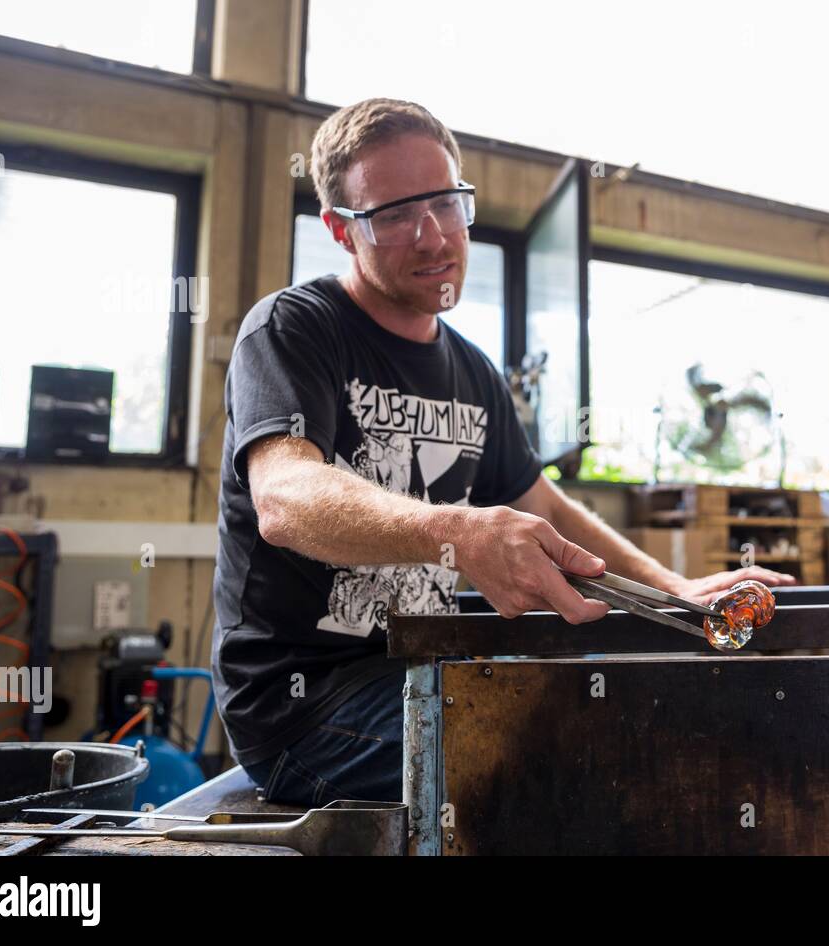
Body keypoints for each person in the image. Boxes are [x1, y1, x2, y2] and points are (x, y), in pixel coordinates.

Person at [211, 97, 794, 806]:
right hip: (305, 711)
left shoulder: (474, 370)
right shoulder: (292, 329)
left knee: (644, 721)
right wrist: (455, 529)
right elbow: (284, 496)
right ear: (340, 230)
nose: (433, 238)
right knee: (579, 766)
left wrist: (669, 593)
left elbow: (541, 503)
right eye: (393, 215)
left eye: (445, 203)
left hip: (429, 667)